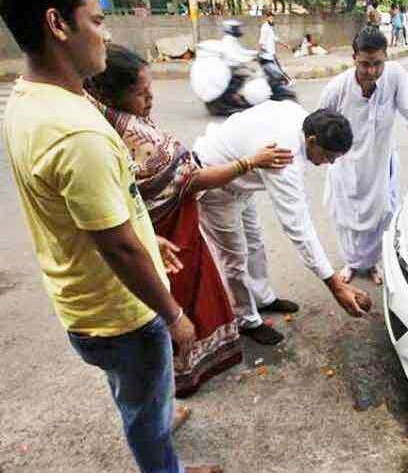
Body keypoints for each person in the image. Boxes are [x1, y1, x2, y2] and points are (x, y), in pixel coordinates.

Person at [0, 0, 218, 472]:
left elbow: (90, 215)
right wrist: (174, 314)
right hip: (123, 317)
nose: (107, 34)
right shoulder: (79, 133)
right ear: (57, 23)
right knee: (144, 413)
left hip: (84, 304)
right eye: (97, 21)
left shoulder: (29, 99)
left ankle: (157, 423)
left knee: (135, 391)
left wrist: (144, 234)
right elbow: (117, 246)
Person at [86, 44, 294, 397]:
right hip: (164, 234)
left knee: (206, 284)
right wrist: (249, 162)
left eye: (151, 91)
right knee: (183, 300)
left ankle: (199, 360)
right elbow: (191, 179)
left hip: (175, 224)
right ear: (113, 93)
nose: (150, 100)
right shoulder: (128, 135)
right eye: (141, 94)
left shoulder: (119, 119)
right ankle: (180, 375)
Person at [193, 102, 373, 345]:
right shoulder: (283, 157)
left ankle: (263, 298)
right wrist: (336, 285)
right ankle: (246, 319)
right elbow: (298, 226)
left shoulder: (302, 116)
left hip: (241, 182)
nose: (330, 163)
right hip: (216, 182)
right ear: (310, 141)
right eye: (328, 156)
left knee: (254, 243)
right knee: (234, 257)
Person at [318, 27, 408, 286]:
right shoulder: (336, 88)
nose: (371, 71)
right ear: (353, 58)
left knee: (382, 215)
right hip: (346, 164)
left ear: (386, 57)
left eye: (377, 64)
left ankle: (371, 263)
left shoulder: (395, 76)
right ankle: (352, 262)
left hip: (381, 163)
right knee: (347, 217)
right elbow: (319, 126)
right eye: (364, 64)